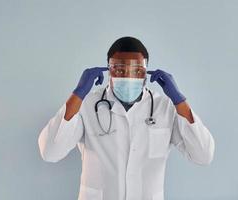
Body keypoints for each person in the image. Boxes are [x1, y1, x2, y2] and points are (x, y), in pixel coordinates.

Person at [38, 36, 215, 200]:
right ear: (109, 70)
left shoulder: (165, 107)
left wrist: (179, 100)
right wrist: (77, 94)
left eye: (136, 71)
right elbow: (50, 152)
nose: (128, 76)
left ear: (146, 72)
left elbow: (203, 155)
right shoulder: (87, 104)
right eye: (120, 70)